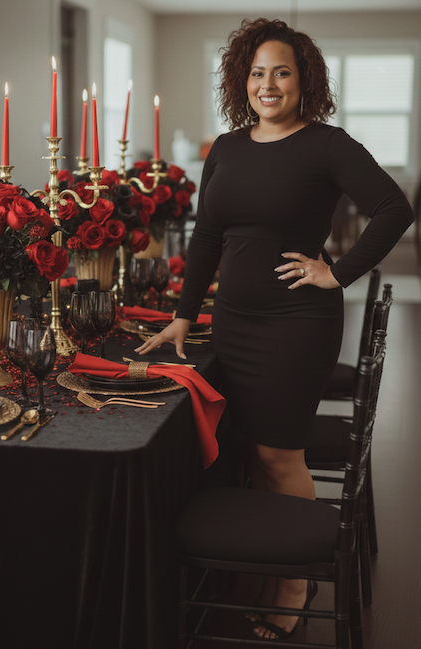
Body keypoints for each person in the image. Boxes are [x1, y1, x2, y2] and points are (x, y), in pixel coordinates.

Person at [135, 17, 414, 640]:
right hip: (231, 322)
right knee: (250, 451)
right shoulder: (227, 148)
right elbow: (207, 237)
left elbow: (395, 208)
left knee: (277, 452)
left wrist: (337, 273)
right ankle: (272, 561)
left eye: (281, 72)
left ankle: (295, 580)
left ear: (303, 80)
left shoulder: (326, 145)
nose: (268, 84)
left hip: (296, 324)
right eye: (257, 72)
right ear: (242, 80)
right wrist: (184, 315)